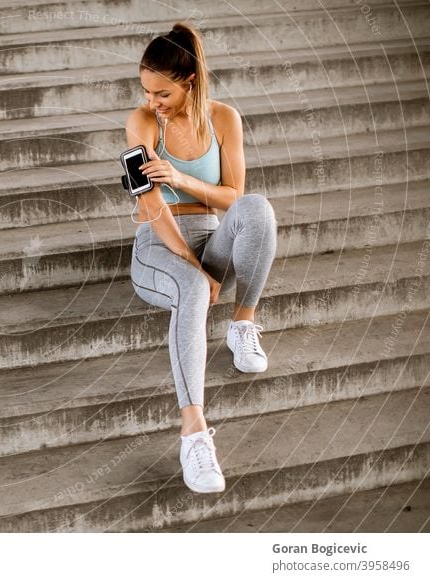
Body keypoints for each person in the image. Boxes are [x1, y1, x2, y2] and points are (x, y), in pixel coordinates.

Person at [125, 21, 277, 494]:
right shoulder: (142, 124)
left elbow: (234, 197)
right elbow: (150, 204)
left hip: (213, 239)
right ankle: (193, 433)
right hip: (159, 244)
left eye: (162, 93)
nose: (152, 101)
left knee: (258, 208)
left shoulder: (224, 119)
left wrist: (184, 179)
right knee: (191, 286)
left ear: (189, 80)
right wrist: (195, 270)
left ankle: (243, 323)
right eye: (146, 91)